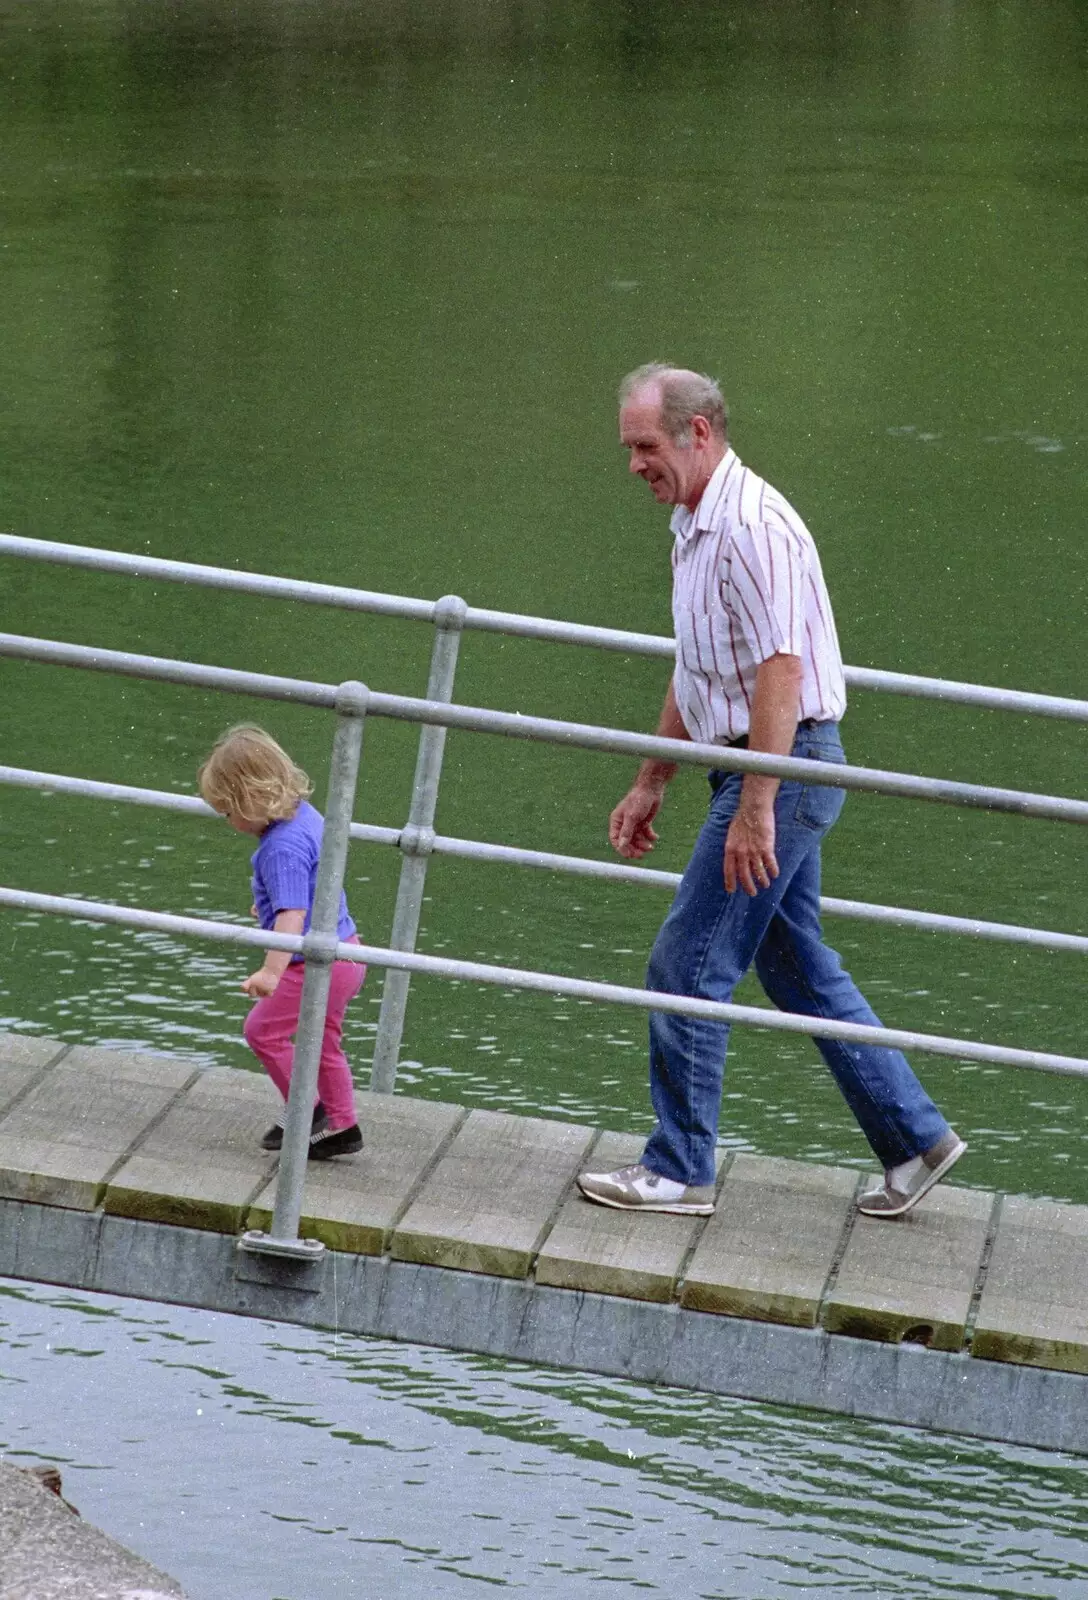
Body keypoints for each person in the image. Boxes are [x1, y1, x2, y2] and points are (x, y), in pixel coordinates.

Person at [577, 363, 965, 1219]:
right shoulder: (692, 523)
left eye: (645, 446)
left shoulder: (753, 527)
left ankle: (678, 1170)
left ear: (699, 434)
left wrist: (758, 807)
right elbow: (698, 666)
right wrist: (651, 782)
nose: (634, 465)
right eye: (629, 448)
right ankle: (917, 1140)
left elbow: (781, 674)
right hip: (753, 768)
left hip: (782, 769)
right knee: (794, 967)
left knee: (686, 965)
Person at [197, 724, 365, 1159]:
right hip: (347, 952)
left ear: (251, 799)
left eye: (228, 812)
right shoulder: (307, 816)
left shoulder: (279, 847)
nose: (230, 823)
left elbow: (293, 914)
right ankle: (343, 1125)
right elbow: (307, 888)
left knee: (262, 1032)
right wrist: (269, 904)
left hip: (306, 963)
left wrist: (271, 972)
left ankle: (310, 1110)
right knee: (324, 1043)